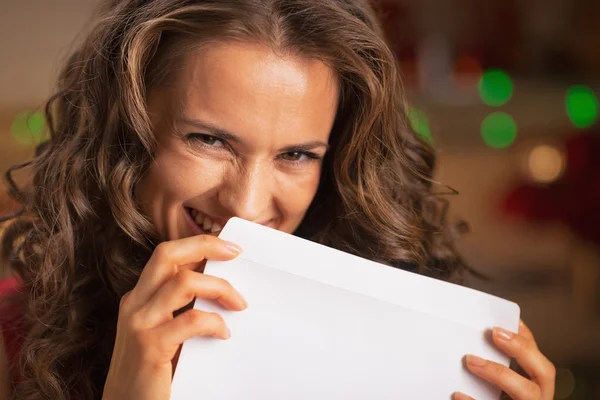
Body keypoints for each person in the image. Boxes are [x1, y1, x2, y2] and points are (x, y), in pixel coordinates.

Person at [0, 0, 555, 399]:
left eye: (296, 155)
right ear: (127, 134)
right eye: (209, 139)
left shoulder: (406, 343)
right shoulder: (16, 334)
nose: (246, 203)